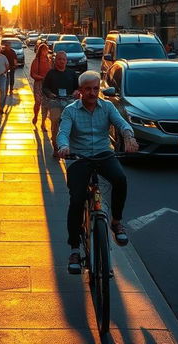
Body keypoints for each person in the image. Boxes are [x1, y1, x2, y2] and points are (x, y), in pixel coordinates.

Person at [56, 71, 139, 274]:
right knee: (76, 200)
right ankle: (75, 249)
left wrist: (128, 137)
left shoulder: (108, 107)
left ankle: (116, 222)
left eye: (95, 88)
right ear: (80, 91)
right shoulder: (70, 111)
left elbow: (122, 123)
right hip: (79, 157)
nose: (93, 93)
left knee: (120, 179)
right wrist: (64, 147)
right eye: (88, 89)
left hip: (103, 154)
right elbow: (63, 133)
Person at [42, 50, 80, 158]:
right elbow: (45, 87)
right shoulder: (51, 73)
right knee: (55, 126)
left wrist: (76, 92)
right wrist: (50, 94)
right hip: (55, 102)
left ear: (66, 61)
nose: (61, 61)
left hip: (69, 102)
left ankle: (68, 145)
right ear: (55, 60)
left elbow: (78, 87)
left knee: (71, 125)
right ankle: (55, 147)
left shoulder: (71, 73)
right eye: (59, 59)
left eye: (63, 59)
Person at [30, 43, 52, 129]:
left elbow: (52, 72)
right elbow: (32, 74)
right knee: (38, 102)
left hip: (47, 85)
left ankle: (43, 122)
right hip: (38, 84)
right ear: (40, 51)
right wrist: (41, 77)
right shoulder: (36, 61)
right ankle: (35, 115)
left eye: (46, 50)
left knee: (46, 104)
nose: (45, 52)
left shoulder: (49, 61)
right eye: (43, 50)